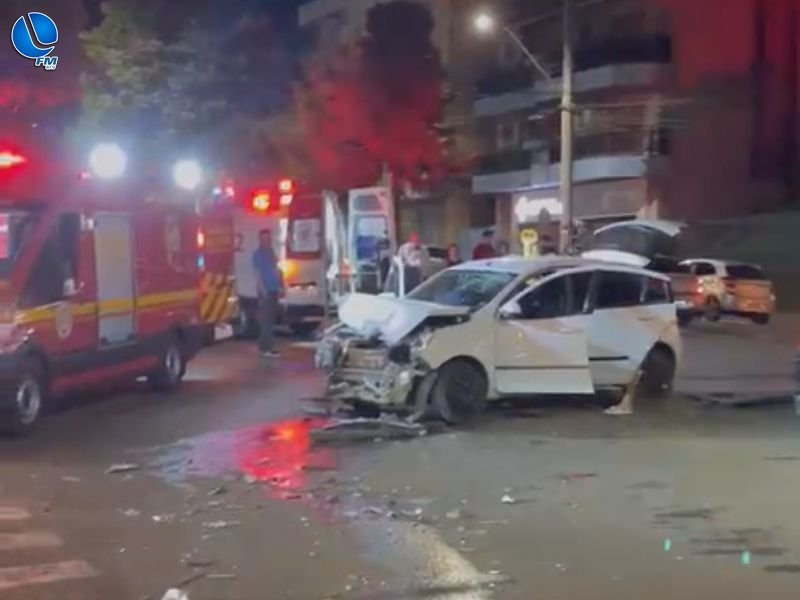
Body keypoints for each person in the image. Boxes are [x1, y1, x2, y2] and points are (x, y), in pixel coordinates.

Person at [252, 229, 284, 358]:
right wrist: (263, 290)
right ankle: (266, 348)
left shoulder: (270, 252)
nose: (267, 241)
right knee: (266, 321)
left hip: (274, 289)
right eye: (264, 238)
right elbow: (258, 274)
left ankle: (264, 346)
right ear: (260, 239)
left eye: (269, 238)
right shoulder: (258, 254)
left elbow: (277, 269)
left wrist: (281, 285)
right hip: (266, 291)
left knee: (270, 319)